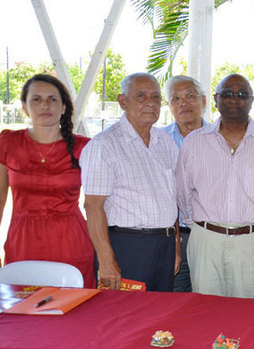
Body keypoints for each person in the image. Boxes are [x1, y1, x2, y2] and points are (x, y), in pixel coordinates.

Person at [175, 74, 254, 299]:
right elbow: (183, 192)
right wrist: (202, 227)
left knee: (248, 311)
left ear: (251, 100)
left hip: (252, 241)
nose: (234, 99)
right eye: (227, 94)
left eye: (242, 94)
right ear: (215, 99)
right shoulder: (195, 142)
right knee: (205, 308)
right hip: (205, 240)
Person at [81, 72, 179, 291]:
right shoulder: (104, 145)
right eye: (141, 96)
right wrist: (106, 261)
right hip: (127, 246)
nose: (150, 103)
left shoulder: (164, 141)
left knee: (159, 315)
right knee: (126, 318)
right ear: (123, 101)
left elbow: (172, 198)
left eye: (155, 97)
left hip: (164, 245)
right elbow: (93, 207)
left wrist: (175, 247)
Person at [0, 74, 95, 287]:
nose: (45, 105)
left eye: (53, 99)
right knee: (21, 312)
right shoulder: (8, 143)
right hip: (22, 242)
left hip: (71, 243)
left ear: (63, 107)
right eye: (36, 99)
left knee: (75, 312)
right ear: (24, 106)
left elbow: (96, 205)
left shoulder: (85, 147)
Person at [163, 74, 210, 293]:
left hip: (213, 236)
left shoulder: (220, 138)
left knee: (212, 300)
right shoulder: (157, 141)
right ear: (169, 105)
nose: (183, 103)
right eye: (176, 98)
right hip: (175, 236)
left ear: (204, 101)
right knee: (177, 299)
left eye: (190, 96)